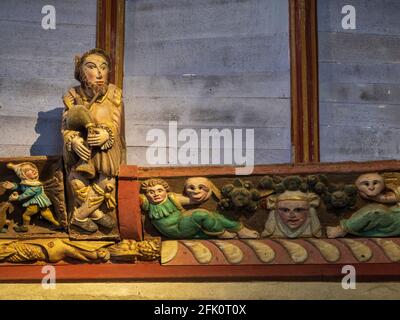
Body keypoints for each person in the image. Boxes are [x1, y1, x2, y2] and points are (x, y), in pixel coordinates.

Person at [62, 48, 124, 233]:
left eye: (103, 68)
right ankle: (96, 213)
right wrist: (72, 140)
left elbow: (115, 124)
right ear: (81, 73)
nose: (99, 73)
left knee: (106, 178)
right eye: (92, 67)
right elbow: (66, 126)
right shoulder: (72, 96)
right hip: (82, 150)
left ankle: (80, 216)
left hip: (106, 148)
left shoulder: (114, 94)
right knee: (75, 178)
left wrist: (107, 135)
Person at [140, 178, 259, 239]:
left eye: (159, 190)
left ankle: (240, 230)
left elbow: (195, 200)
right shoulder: (147, 202)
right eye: (151, 192)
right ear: (146, 194)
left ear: (166, 191)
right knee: (200, 214)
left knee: (214, 215)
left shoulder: (172, 198)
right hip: (176, 229)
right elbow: (130, 196)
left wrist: (207, 189)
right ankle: (221, 233)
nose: (156, 194)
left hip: (183, 220)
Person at [327, 172, 400, 238]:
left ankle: (343, 230)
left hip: (396, 223)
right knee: (373, 209)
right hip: (393, 215)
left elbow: (384, 199)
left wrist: (369, 195)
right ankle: (345, 227)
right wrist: (369, 194)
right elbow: (386, 198)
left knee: (377, 212)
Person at [3, 162, 60, 232]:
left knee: (26, 215)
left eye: (33, 169)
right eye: (28, 170)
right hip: (41, 203)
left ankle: (24, 227)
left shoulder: (36, 185)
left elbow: (27, 194)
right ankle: (57, 224)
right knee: (46, 214)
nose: (33, 170)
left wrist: (17, 198)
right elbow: (21, 187)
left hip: (35, 204)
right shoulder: (27, 183)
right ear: (23, 175)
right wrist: (13, 186)